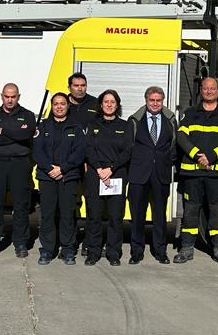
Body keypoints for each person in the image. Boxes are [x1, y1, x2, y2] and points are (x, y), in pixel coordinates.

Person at [175, 77, 218, 265]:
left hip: (217, 173)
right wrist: (197, 155)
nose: (209, 91)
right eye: (205, 88)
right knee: (190, 212)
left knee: (217, 213)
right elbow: (181, 137)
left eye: (212, 88)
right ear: (200, 91)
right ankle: (186, 249)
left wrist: (210, 156)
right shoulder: (190, 113)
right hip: (192, 173)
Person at [0, 83, 36, 259]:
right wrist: (15, 135)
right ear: (2, 96)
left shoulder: (27, 115)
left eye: (13, 96)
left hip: (20, 164)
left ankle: (21, 243)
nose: (10, 99)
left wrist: (3, 131)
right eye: (7, 96)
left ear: (18, 96)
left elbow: (26, 135)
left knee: (21, 206)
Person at [33, 93, 85, 266]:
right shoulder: (42, 126)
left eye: (62, 103)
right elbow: (37, 151)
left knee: (67, 214)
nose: (59, 107)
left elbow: (79, 153)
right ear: (52, 106)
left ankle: (68, 249)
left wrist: (63, 168)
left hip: (68, 177)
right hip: (47, 177)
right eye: (56, 104)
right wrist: (50, 169)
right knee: (47, 214)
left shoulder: (75, 128)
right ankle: (47, 249)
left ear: (67, 106)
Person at [127, 86, 177, 264]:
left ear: (162, 102)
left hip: (161, 175)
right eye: (152, 100)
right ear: (146, 101)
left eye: (158, 100)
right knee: (137, 216)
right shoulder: (134, 121)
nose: (155, 104)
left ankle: (160, 251)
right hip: (138, 175)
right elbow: (129, 147)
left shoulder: (170, 120)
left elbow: (174, 146)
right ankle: (136, 251)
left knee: (159, 216)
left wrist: (167, 162)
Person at [82, 89, 131, 266]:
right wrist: (99, 168)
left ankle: (113, 253)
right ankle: (93, 252)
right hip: (96, 174)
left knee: (115, 217)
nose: (109, 105)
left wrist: (111, 168)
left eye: (112, 102)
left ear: (117, 105)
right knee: (94, 215)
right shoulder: (92, 124)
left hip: (116, 174)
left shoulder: (125, 126)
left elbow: (127, 151)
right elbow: (88, 148)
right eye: (106, 102)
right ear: (101, 105)